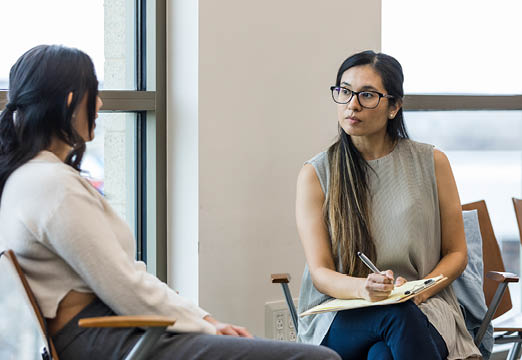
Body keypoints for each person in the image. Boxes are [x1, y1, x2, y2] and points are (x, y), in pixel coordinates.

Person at [0, 45, 340, 360]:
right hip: (105, 337)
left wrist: (203, 320)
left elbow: (126, 278)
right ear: (72, 100)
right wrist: (205, 324)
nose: (100, 105)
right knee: (318, 358)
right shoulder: (52, 186)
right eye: (96, 94)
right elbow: (124, 283)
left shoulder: (30, 178)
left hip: (104, 332)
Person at [295, 50, 482, 360]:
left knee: (384, 352)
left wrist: (418, 291)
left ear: (394, 106)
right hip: (339, 315)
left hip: (425, 306)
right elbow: (320, 273)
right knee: (395, 316)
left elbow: (456, 253)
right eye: (344, 91)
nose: (352, 104)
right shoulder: (317, 173)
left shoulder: (432, 162)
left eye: (367, 95)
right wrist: (364, 290)